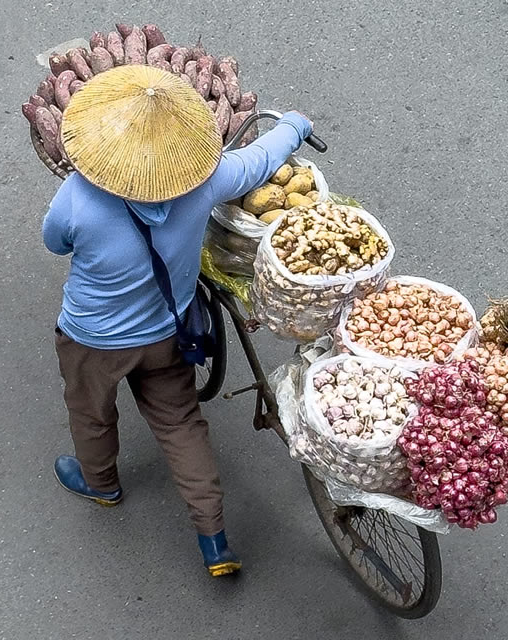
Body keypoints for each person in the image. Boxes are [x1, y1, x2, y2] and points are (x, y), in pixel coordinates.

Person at [41, 65, 313, 577]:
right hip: (168, 333)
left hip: (90, 339)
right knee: (182, 425)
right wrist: (292, 126)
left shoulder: (78, 194)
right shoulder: (205, 181)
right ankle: (214, 539)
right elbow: (257, 163)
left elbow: (55, 242)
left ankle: (100, 483)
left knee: (91, 411)